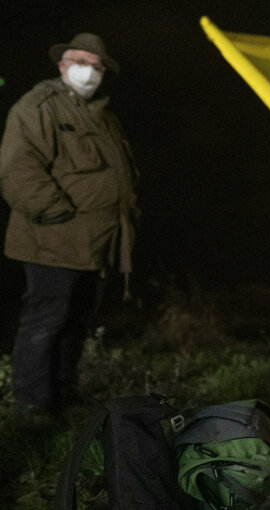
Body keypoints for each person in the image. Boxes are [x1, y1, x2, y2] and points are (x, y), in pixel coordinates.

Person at [1, 33, 137, 415]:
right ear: (61, 65)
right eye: (80, 61)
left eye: (96, 66)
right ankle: (31, 403)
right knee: (44, 320)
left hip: (95, 244)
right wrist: (57, 215)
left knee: (76, 322)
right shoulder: (38, 107)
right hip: (52, 241)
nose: (88, 71)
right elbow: (17, 170)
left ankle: (63, 393)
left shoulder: (102, 115)